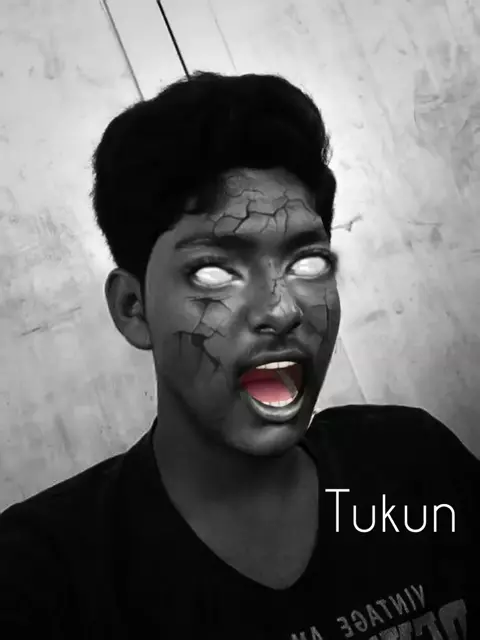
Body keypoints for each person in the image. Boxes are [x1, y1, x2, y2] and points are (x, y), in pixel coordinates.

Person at [0, 71, 478, 639]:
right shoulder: (43, 578)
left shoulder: (411, 466)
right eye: (213, 271)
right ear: (133, 308)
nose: (282, 309)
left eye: (308, 263)